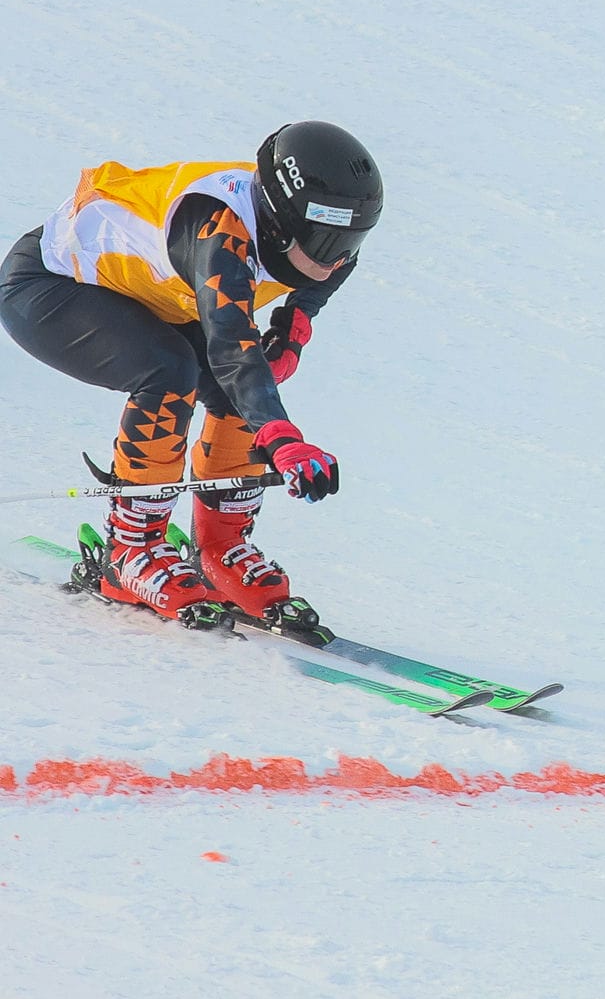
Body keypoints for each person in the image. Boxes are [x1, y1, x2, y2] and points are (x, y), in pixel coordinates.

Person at [0, 122, 377, 632]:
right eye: (327, 240)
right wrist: (282, 439)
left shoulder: (308, 235)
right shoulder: (219, 236)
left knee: (235, 385)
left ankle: (221, 549)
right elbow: (231, 346)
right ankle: (129, 551)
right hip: (48, 284)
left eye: (350, 241)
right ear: (281, 223)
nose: (337, 257)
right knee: (171, 371)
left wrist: (295, 326)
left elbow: (332, 270)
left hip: (148, 293)